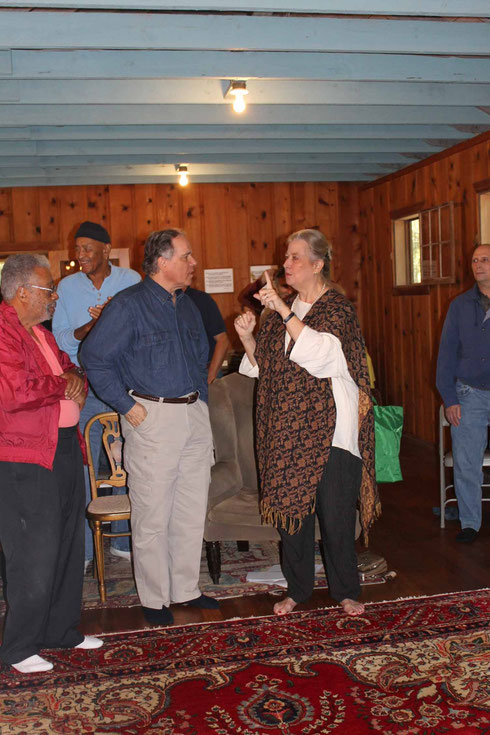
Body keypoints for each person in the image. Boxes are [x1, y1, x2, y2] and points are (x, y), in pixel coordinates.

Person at [235, 229, 379, 617]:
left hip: (333, 430)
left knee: (334, 515)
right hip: (286, 433)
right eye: (286, 257)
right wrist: (249, 338)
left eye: (296, 257)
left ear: (317, 265)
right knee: (293, 518)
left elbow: (321, 355)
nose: (287, 264)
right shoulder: (285, 308)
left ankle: (346, 590)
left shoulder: (336, 308)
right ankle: (297, 589)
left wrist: (282, 311)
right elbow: (267, 369)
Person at [80, 229, 218, 626]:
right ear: (162, 261)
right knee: (152, 514)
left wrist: (202, 405)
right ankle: (155, 599)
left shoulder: (188, 305)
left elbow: (199, 358)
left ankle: (186, 589)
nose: (193, 263)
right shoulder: (128, 306)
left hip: (193, 416)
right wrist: (127, 406)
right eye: (187, 256)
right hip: (152, 418)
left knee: (190, 510)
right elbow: (94, 357)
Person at [0, 254, 102, 674]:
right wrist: (65, 383)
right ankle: (20, 647)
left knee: (65, 542)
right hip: (23, 456)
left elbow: (70, 367)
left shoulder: (38, 333)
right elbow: (14, 390)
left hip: (60, 446)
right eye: (49, 290)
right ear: (22, 292)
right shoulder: (4, 330)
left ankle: (62, 629)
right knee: (33, 551)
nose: (55, 298)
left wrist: (71, 377)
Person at [52, 221, 141, 570]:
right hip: (84, 387)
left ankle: (123, 537)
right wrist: (92, 326)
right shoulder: (67, 287)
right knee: (86, 465)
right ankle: (86, 550)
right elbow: (61, 339)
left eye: (88, 248)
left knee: (128, 460)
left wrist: (111, 321)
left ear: (107, 249)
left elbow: (139, 332)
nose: (81, 255)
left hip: (123, 382)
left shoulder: (131, 281)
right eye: (77, 249)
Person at [436, 243, 490, 544]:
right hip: (469, 393)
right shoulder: (459, 305)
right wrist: (450, 398)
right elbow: (446, 355)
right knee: (467, 461)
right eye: (474, 260)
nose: (478, 265)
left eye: (484, 260)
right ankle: (470, 522)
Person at [184, 280, 230, 383]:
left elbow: (222, 339)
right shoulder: (159, 302)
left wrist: (211, 375)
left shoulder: (202, 300)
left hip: (204, 369)